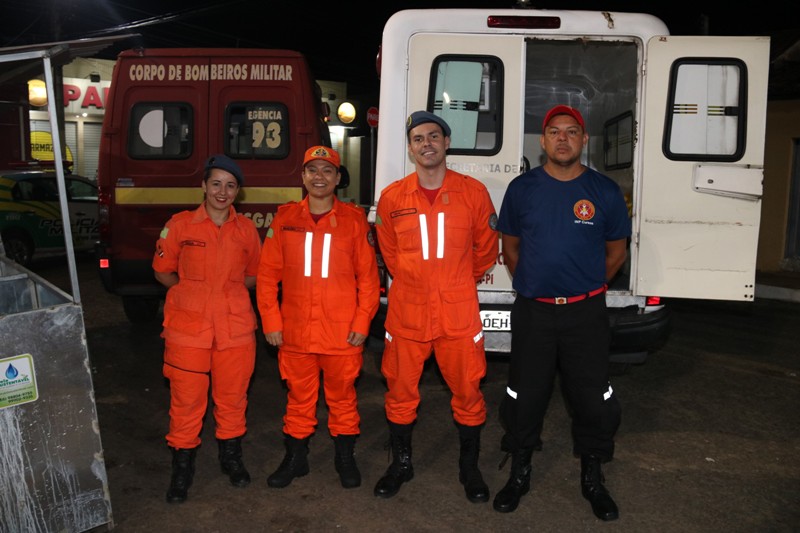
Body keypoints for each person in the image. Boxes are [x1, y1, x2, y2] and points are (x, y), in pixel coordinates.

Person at [492, 105, 630, 520]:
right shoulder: (522, 189)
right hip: (534, 313)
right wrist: (537, 286)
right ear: (543, 140)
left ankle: (592, 476)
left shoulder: (603, 191)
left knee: (591, 398)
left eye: (572, 132)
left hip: (585, 315)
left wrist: (583, 288)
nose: (563, 139)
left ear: (584, 141)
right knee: (524, 395)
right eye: (555, 132)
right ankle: (519, 471)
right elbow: (510, 249)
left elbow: (616, 253)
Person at [373, 111, 499, 503]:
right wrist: (418, 284)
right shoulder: (393, 197)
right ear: (410, 149)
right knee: (399, 392)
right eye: (417, 138)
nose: (425, 143)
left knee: (468, 391)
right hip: (407, 314)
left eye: (433, 136)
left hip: (458, 314)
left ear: (446, 143)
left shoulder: (473, 192)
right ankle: (401, 464)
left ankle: (469, 467)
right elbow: (390, 256)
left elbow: (486, 250)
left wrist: (456, 283)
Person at [257, 146, 379, 489]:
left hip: (342, 334)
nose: (319, 176)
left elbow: (369, 280)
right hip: (295, 333)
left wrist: (361, 324)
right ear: (303, 177)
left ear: (338, 178)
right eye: (313, 170)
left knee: (343, 400)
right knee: (298, 400)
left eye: (327, 170)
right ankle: (296, 460)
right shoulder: (284, 220)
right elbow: (267, 277)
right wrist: (271, 322)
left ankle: (344, 459)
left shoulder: (354, 222)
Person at [152, 154, 261, 504]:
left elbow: (253, 275)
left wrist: (224, 297)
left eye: (230, 186)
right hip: (188, 332)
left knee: (232, 400)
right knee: (186, 404)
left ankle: (232, 458)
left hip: (235, 331)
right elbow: (162, 270)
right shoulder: (180, 225)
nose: (222, 191)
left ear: (238, 192)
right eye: (216, 183)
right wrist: (188, 295)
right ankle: (182, 469)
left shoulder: (246, 230)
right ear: (203, 185)